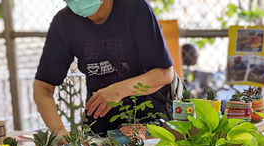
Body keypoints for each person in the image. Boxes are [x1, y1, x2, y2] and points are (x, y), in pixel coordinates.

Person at [33, 0, 174, 137]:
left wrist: (118, 90)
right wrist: (58, 131)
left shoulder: (135, 7)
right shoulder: (64, 23)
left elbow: (164, 74)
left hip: (149, 121)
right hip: (100, 128)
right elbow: (42, 87)